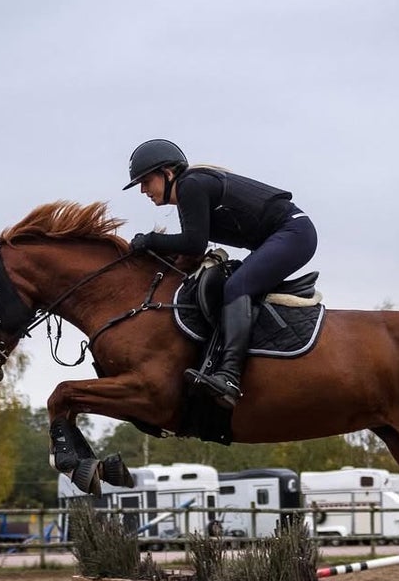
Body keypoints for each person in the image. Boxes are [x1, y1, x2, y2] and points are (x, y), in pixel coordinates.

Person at [123, 139, 318, 409]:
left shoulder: (190, 185)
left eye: (145, 180)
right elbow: (190, 254)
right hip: (282, 237)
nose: (143, 189)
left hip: (294, 233)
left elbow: (193, 244)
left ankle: (229, 376)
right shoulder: (189, 192)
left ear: (168, 173)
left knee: (236, 287)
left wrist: (151, 241)